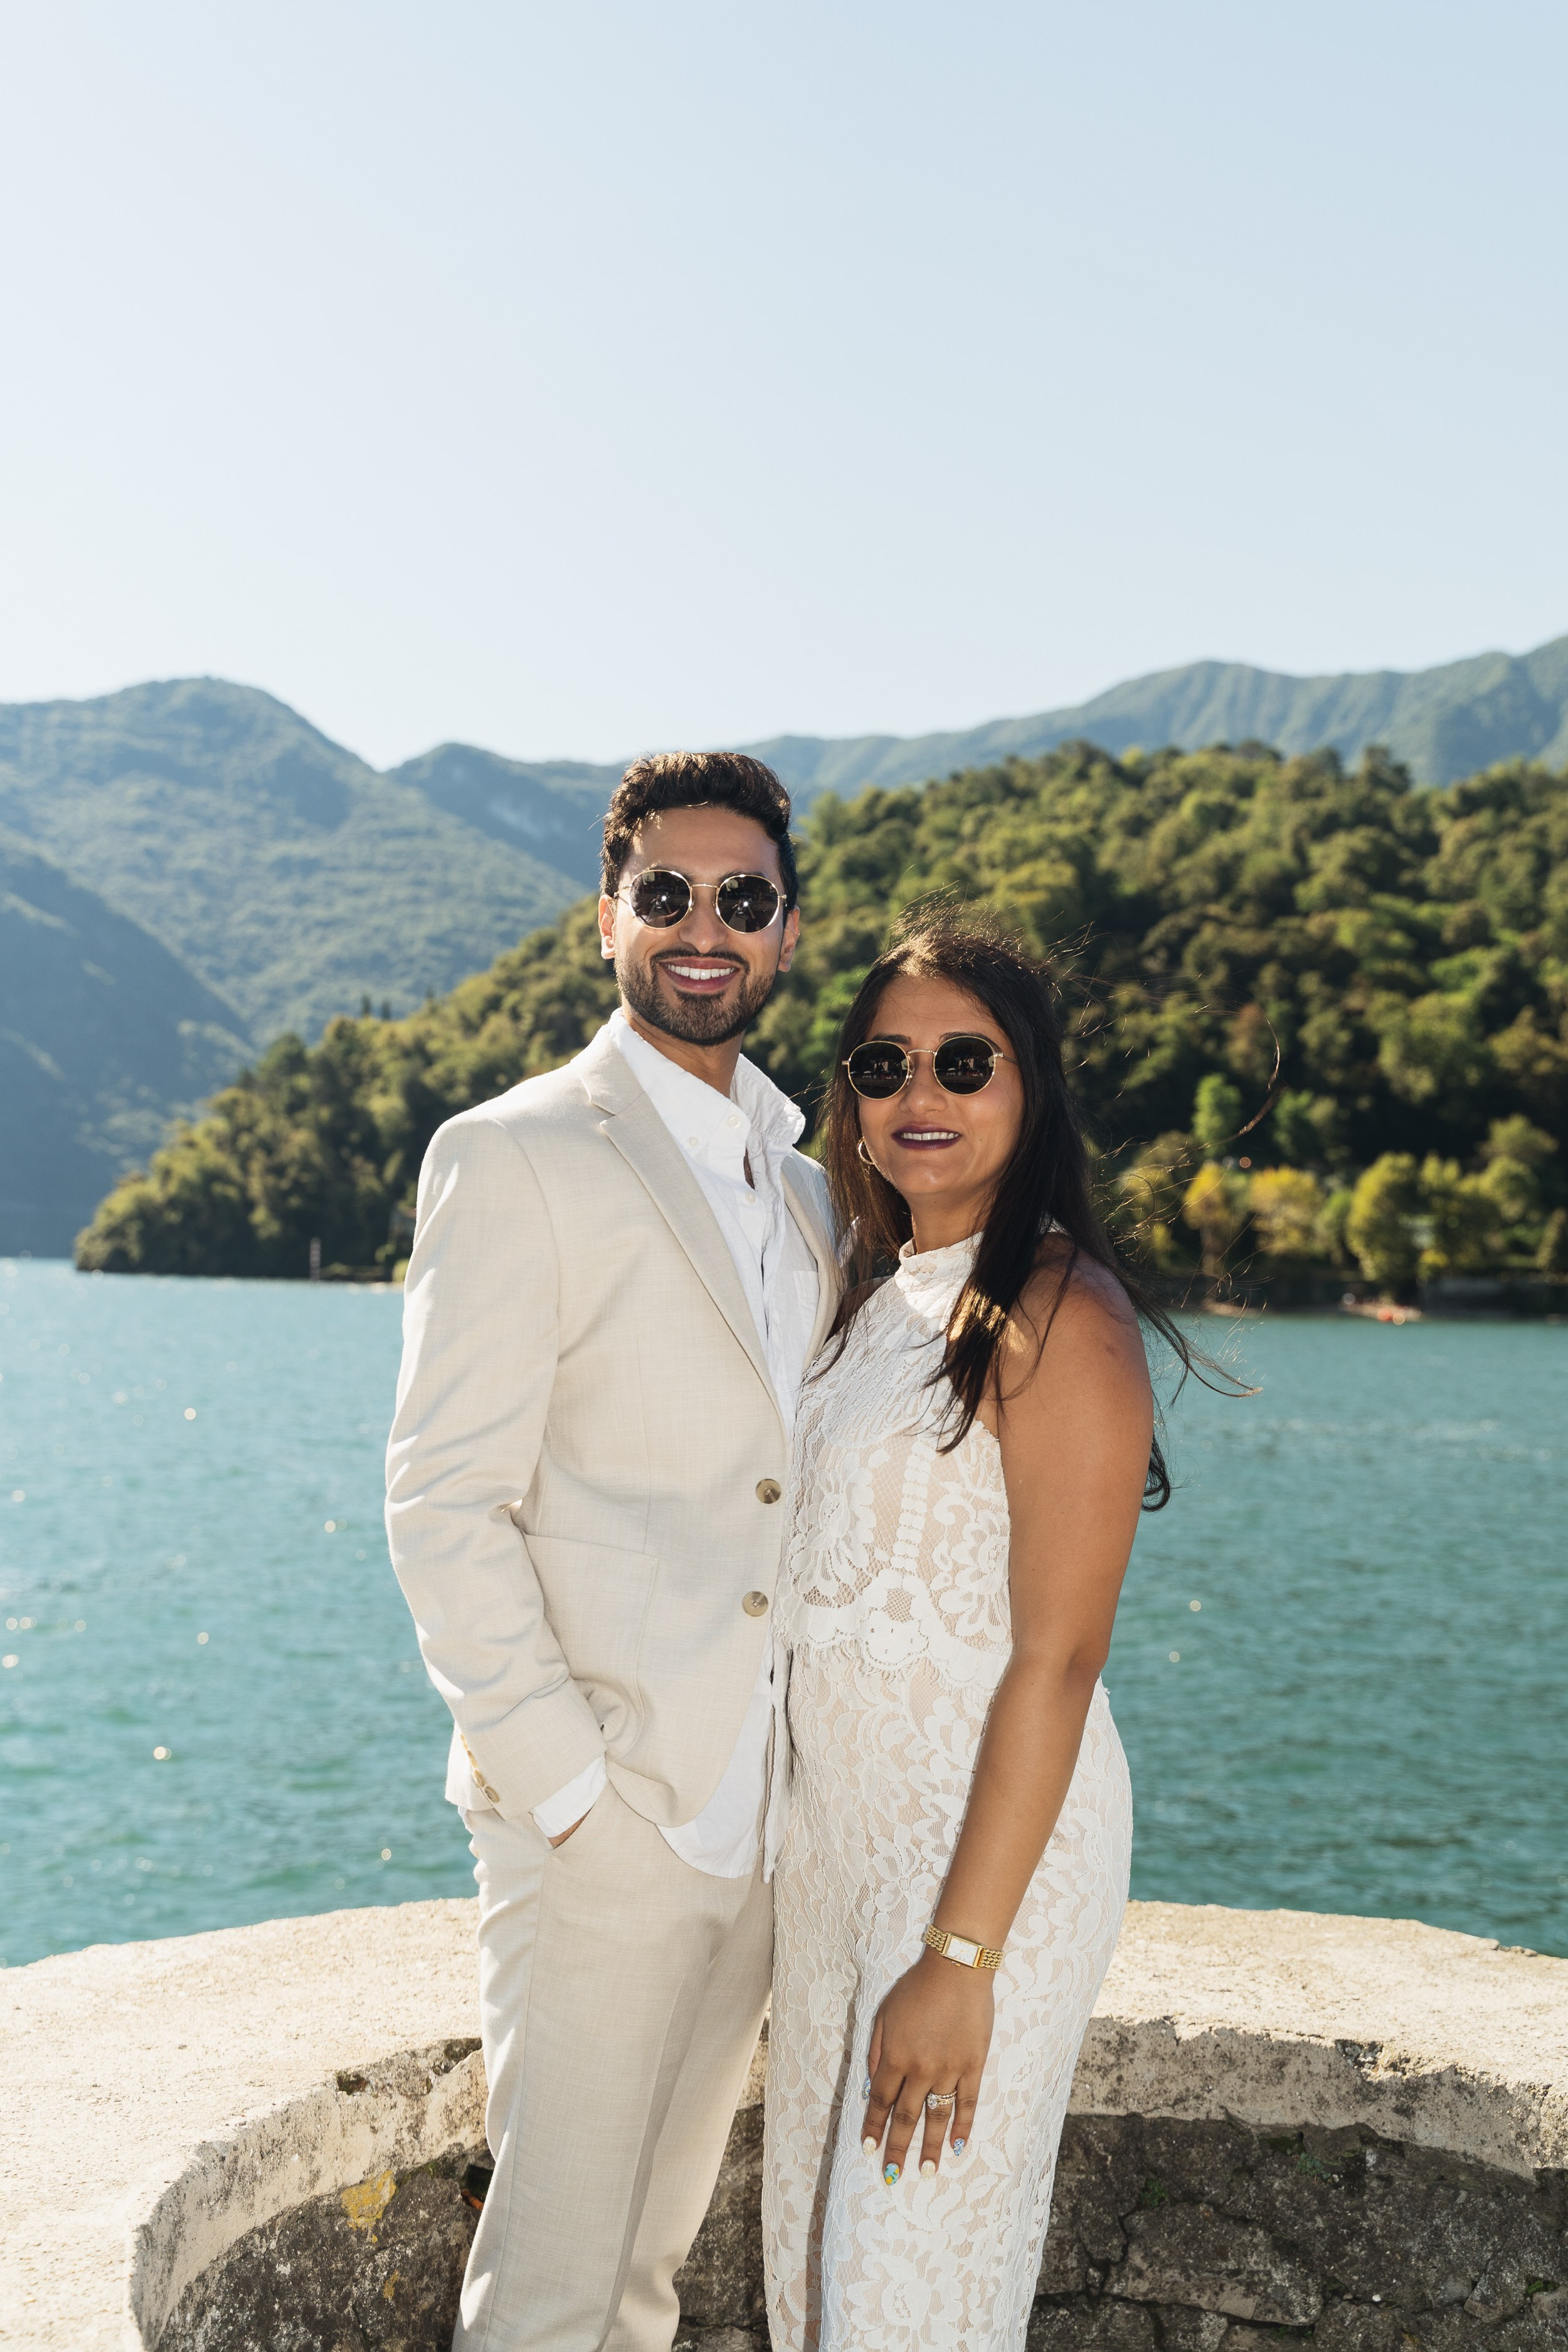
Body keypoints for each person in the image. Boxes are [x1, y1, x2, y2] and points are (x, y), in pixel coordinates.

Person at [385, 751, 839, 2352]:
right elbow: (443, 1504)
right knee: (556, 2292)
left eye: (741, 898)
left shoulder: (804, 1192)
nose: (701, 926)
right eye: (665, 893)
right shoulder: (512, 1154)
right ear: (606, 918)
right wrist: (574, 1796)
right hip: (608, 1830)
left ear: (785, 931)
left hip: (762, 1834)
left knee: (645, 2277)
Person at [763, 911, 1189, 2352]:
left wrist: (960, 1957)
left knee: (903, 2301)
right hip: (832, 1869)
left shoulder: (1059, 1310)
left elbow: (1057, 1659)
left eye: (964, 1060)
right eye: (883, 1064)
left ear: (1030, 1089)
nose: (918, 1096)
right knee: (815, 2292)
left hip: (983, 1873)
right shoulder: (867, 1305)